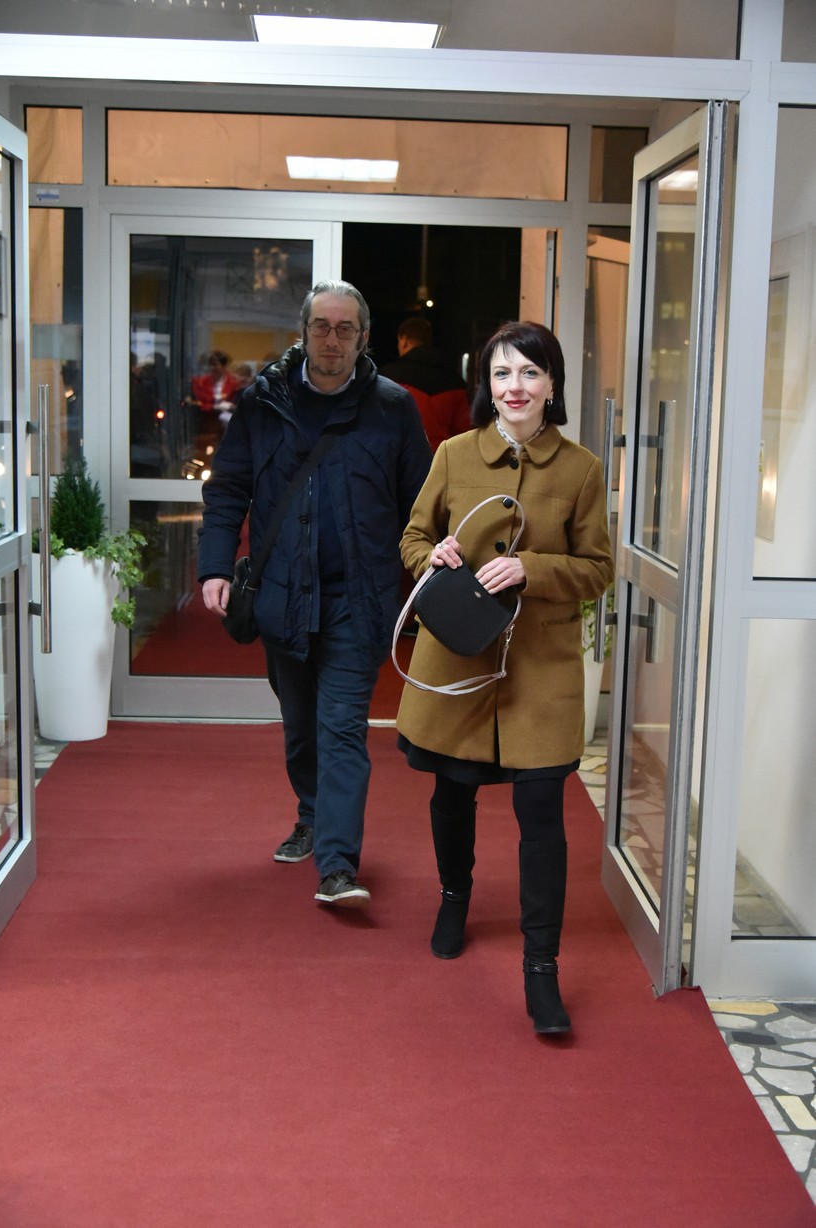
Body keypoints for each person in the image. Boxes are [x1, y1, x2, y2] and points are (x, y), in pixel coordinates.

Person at [396, 321, 614, 1034]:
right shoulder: (454, 454)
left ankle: (541, 969)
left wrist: (531, 568)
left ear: (552, 384)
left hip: (539, 668)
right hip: (459, 657)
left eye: (529, 373)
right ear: (485, 386)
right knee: (452, 792)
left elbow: (598, 569)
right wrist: (434, 557)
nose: (514, 387)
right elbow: (413, 536)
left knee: (542, 814)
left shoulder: (581, 469)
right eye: (501, 374)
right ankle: (454, 896)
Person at [198, 280, 432, 908]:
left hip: (360, 600)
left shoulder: (393, 408)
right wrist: (214, 567)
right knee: (301, 729)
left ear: (364, 337)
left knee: (342, 729)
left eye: (345, 328)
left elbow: (422, 504)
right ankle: (311, 814)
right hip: (283, 598)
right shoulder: (262, 402)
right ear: (303, 333)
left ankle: (337, 864)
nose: (332, 338)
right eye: (321, 326)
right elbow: (228, 490)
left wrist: (429, 571)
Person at [379, 317, 471, 451]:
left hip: (401, 458)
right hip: (442, 458)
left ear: (404, 340)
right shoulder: (455, 381)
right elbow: (462, 433)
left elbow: (378, 426)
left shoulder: (389, 377)